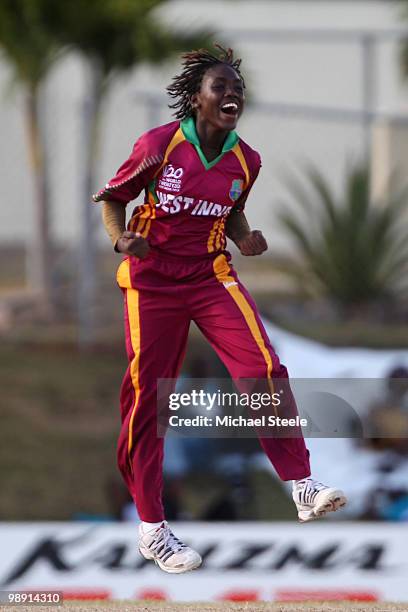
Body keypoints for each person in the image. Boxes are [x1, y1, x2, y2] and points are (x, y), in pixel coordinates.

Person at [93, 45, 347, 574]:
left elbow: (230, 208)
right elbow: (114, 199)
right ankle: (152, 528)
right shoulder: (159, 145)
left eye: (238, 90)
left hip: (211, 275)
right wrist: (122, 243)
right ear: (195, 98)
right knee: (146, 401)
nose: (232, 95)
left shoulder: (246, 160)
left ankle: (301, 485)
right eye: (220, 87)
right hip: (152, 281)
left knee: (262, 369)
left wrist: (245, 235)